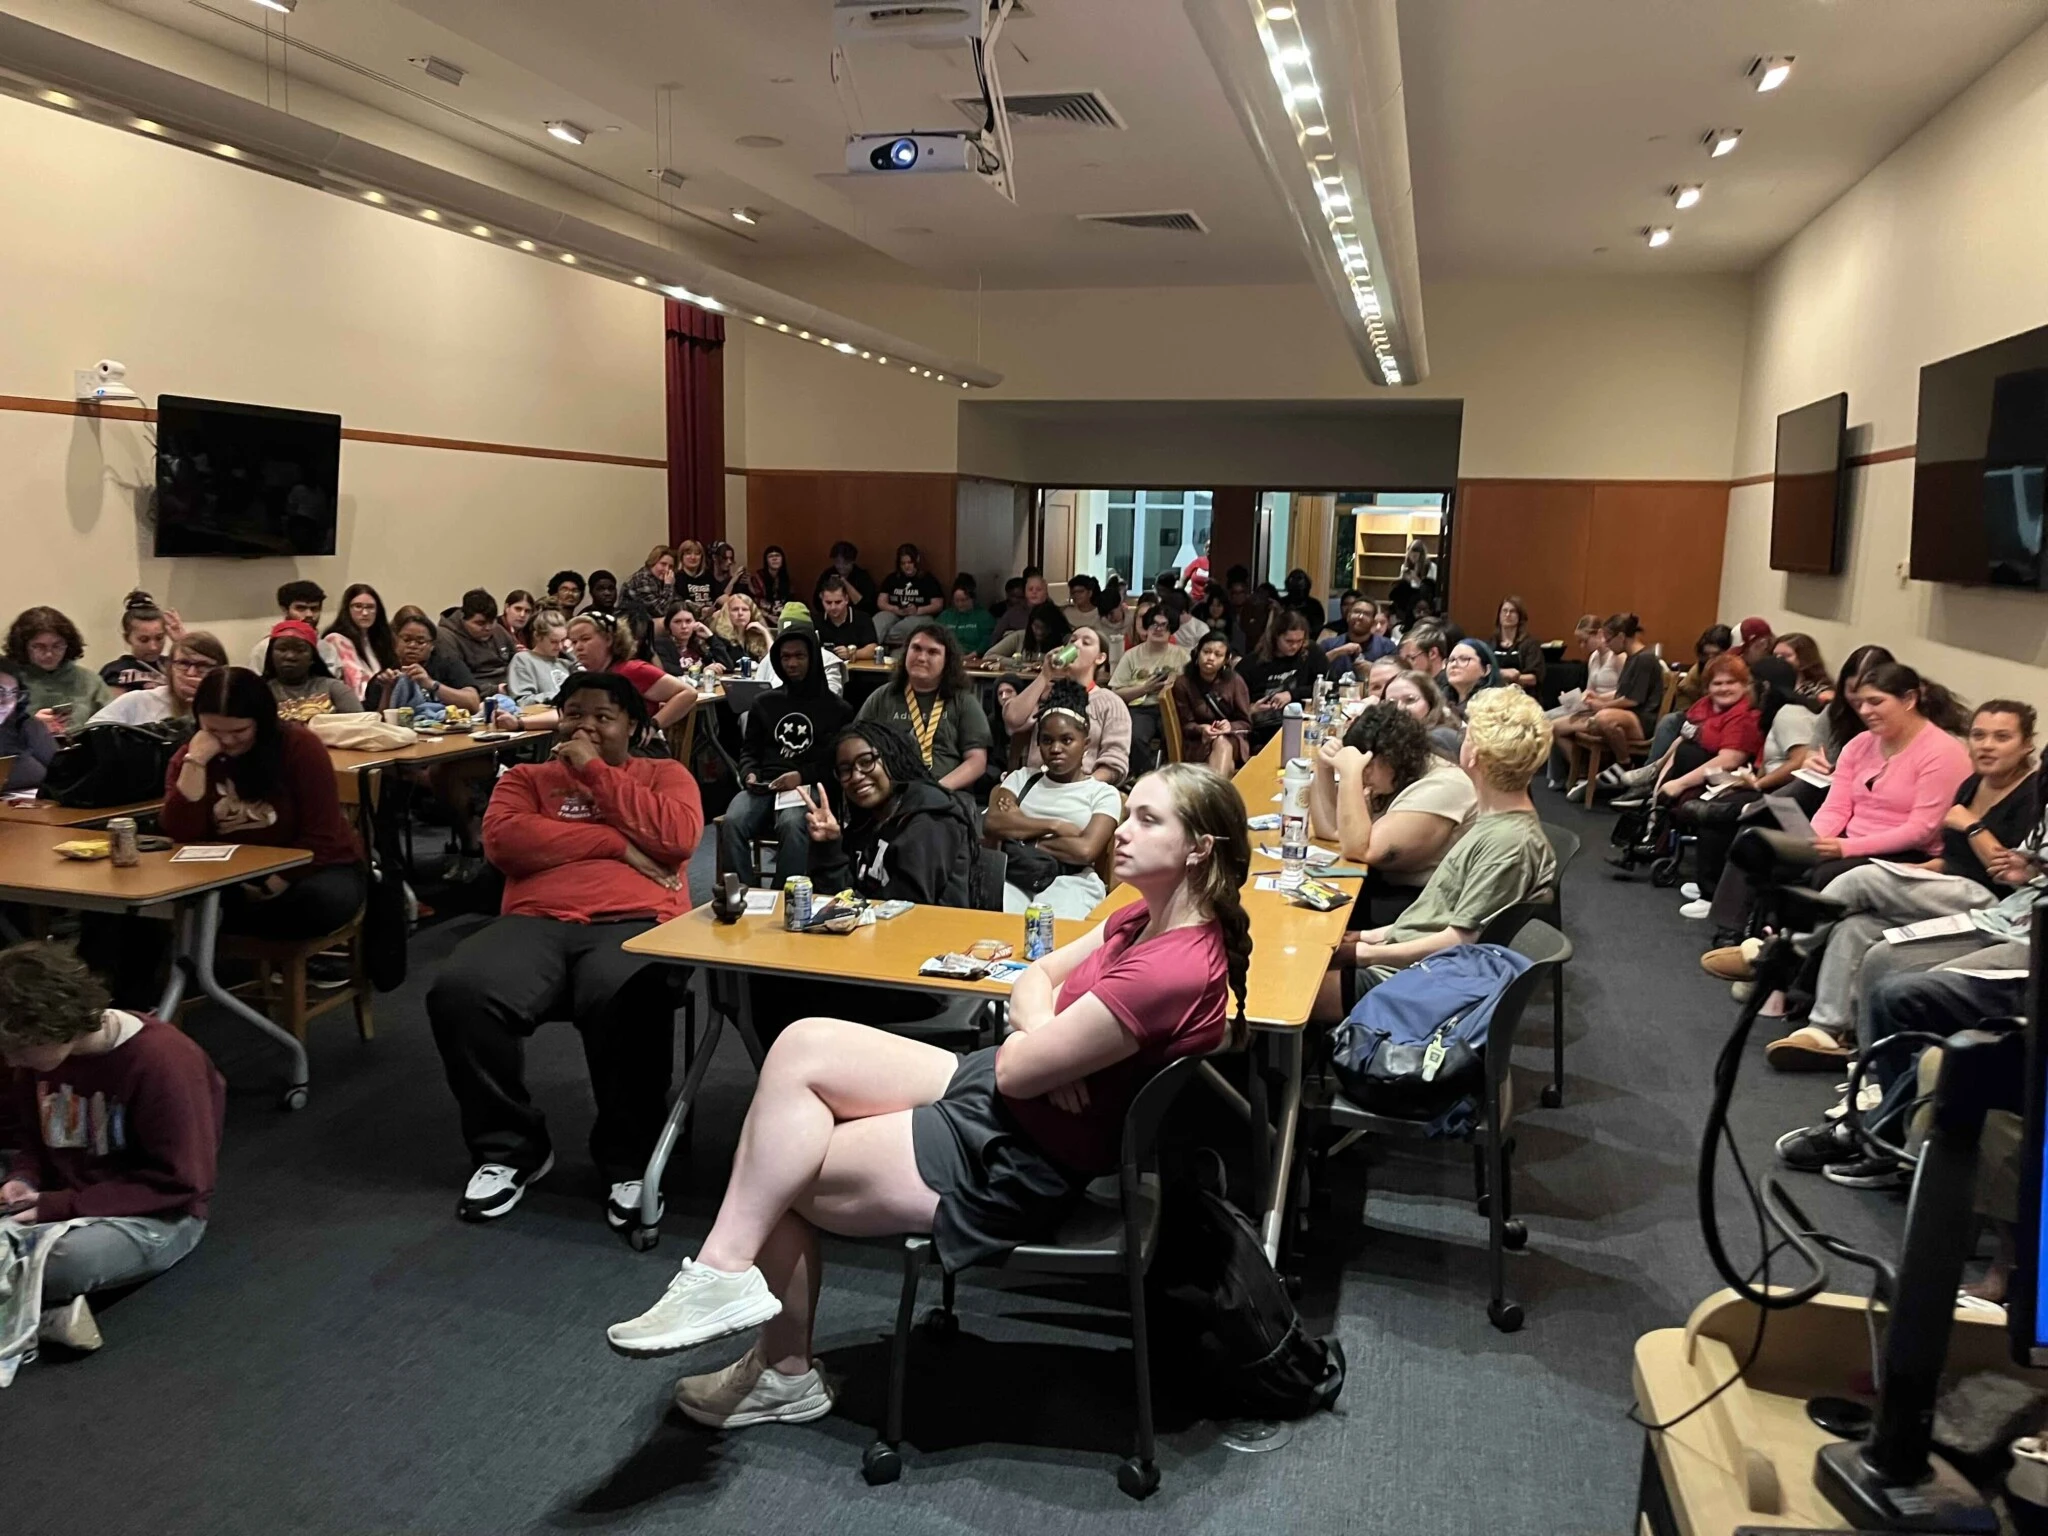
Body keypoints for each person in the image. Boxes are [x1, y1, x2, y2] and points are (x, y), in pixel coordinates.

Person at [604, 762, 1249, 1423]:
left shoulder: (1167, 966)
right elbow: (1032, 977)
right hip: (1004, 1102)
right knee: (800, 1047)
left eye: (1149, 819)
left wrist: (1041, 1056)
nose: (1123, 831)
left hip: (1018, 1157)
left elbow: (1019, 1069)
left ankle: (783, 1371)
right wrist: (1050, 1042)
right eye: (1129, 812)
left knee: (775, 1173)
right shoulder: (1143, 915)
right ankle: (724, 1270)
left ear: (1199, 848)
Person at [428, 671, 704, 1228]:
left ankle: (629, 1159)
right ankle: (510, 1150)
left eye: (604, 716)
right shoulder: (526, 779)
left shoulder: (663, 774)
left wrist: (595, 774)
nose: (587, 726)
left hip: (635, 920)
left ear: (632, 724)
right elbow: (506, 843)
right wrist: (614, 842)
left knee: (628, 993)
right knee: (461, 991)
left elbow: (676, 837)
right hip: (536, 922)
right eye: (574, 714)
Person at [1760, 700, 2040, 1068]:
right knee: (1856, 927)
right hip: (1950, 886)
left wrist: (1971, 823)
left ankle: (1782, 949)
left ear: (2026, 746)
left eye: (2002, 737)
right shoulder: (1973, 783)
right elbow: (1952, 857)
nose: (1987, 745)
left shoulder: (2033, 794)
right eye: (1979, 735)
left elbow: (2005, 871)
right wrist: (1920, 872)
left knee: (1860, 878)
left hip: (1993, 903)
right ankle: (1831, 1032)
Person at [0, 941, 224, 1356]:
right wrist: (23, 1176)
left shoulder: (164, 1062)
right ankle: (43, 1313)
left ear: (53, 1025)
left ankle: (36, 1308)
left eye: (19, 1048)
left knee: (66, 1260)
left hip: (153, 1214)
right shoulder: (40, 1060)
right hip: (64, 1192)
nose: (13, 1061)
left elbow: (182, 1183)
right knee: (24, 1246)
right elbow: (28, 1137)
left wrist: (57, 1206)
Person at [1314, 687, 1557, 1023]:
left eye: (1467, 735)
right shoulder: (1497, 824)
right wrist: (1366, 936)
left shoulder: (1509, 843)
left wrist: (1362, 954)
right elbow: (1434, 915)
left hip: (1416, 983)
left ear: (1475, 757)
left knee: (1288, 987)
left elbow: (1459, 941)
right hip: (1410, 963)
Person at [1697, 660, 1973, 941]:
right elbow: (1837, 806)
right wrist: (1813, 840)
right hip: (1850, 840)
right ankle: (1743, 933)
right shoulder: (1860, 743)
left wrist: (1845, 848)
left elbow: (1921, 830)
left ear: (1909, 700)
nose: (1865, 711)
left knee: (1824, 873)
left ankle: (1782, 950)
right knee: (1759, 846)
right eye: (1862, 703)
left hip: (1905, 852)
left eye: (1876, 702)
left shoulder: (1943, 752)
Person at [152, 668, 366, 958]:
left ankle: (211, 958)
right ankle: (205, 965)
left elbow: (322, 835)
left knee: (314, 903)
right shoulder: (190, 756)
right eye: (213, 731)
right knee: (156, 908)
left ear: (261, 722)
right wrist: (195, 762)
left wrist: (273, 883)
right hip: (228, 874)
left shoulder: (299, 747)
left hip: (312, 869)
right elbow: (180, 834)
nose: (227, 741)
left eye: (239, 731)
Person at [790, 720, 981, 907]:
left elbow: (904, 912)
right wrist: (829, 846)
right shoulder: (868, 819)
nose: (856, 776)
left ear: (892, 758)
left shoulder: (930, 820)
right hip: (869, 932)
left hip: (929, 933)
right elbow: (836, 899)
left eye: (866, 762)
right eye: (846, 769)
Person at [721, 625, 853, 883]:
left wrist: (801, 775)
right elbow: (749, 750)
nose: (792, 663)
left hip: (808, 786)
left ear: (812, 658)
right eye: (785, 657)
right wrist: (748, 772)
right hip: (764, 785)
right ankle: (741, 894)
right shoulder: (765, 702)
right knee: (733, 820)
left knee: (793, 823)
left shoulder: (837, 709)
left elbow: (836, 763)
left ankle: (785, 898)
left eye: (799, 656)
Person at [985, 681, 1124, 918]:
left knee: (1048, 926)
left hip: (1071, 879)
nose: (1056, 748)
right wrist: (1054, 826)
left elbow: (1085, 850)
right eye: (1047, 740)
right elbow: (993, 824)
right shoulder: (1022, 779)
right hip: (1016, 872)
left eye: (1067, 740)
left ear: (1085, 745)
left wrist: (1021, 828)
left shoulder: (1102, 793)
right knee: (1000, 917)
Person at [1310, 701, 1477, 893]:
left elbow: (1361, 850)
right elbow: (1332, 831)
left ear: (1392, 756)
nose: (1363, 778)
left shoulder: (1443, 786)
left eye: (1367, 766)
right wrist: (1323, 767)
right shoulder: (1397, 777)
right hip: (1388, 891)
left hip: (1417, 903)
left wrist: (1351, 773)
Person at [854, 622, 992, 792]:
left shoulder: (963, 701)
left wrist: (937, 790)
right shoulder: (882, 697)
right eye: (916, 648)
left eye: (932, 652)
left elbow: (977, 761)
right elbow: (856, 745)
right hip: (891, 792)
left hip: (945, 795)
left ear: (947, 661)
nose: (921, 657)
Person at [1001, 626, 1132, 786]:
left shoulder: (1110, 702)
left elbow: (1115, 761)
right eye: (1073, 640)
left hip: (1084, 789)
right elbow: (1013, 719)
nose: (1076, 645)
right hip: (1037, 785)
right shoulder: (1046, 694)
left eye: (1086, 642)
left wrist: (1083, 786)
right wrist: (1045, 674)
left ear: (1100, 658)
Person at [1554, 614, 1662, 797]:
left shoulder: (1645, 659)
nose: (1606, 643)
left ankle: (1625, 764)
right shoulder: (1630, 657)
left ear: (1621, 637)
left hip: (1641, 719)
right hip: (1625, 713)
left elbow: (1632, 700)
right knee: (1556, 727)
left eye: (1608, 639)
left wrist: (1602, 706)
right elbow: (1622, 693)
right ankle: (1583, 772)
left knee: (1603, 718)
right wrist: (1597, 698)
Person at [564, 614, 698, 732]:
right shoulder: (588, 677)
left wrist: (653, 725)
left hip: (638, 749)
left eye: (585, 639)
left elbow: (688, 693)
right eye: (574, 642)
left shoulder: (631, 670)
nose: (578, 647)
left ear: (609, 639)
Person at [4, 606, 111, 741]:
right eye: (38, 647)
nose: (49, 654)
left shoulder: (89, 681)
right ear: (23, 646)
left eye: (57, 646)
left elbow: (113, 725)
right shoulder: (6, 680)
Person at [83, 632, 226, 727]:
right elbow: (90, 735)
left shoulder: (227, 707)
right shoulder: (137, 701)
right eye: (183, 663)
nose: (191, 673)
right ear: (170, 667)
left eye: (203, 666)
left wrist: (208, 705)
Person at [1110, 600, 1190, 772]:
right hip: (1141, 708)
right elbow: (1115, 692)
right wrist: (1144, 688)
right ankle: (1143, 776)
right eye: (1154, 624)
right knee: (1136, 734)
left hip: (1171, 706)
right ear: (1147, 627)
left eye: (1164, 625)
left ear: (1171, 629)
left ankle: (1173, 774)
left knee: (1175, 733)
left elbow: (1191, 688)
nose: (1158, 629)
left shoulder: (1182, 656)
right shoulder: (1132, 655)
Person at [365, 607, 484, 716]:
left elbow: (473, 703)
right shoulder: (384, 676)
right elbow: (377, 721)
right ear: (395, 641)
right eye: (406, 639)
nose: (412, 645)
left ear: (432, 645)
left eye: (420, 641)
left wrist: (430, 684)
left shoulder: (449, 665)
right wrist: (388, 689)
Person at [1170, 630, 1253, 774]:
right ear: (1197, 653)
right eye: (1206, 652)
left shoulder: (1234, 681)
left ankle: (1214, 793)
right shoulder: (1183, 683)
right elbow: (1185, 724)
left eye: (1218, 655)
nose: (1210, 658)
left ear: (1226, 659)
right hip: (1198, 742)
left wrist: (1229, 726)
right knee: (1229, 766)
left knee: (1221, 742)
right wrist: (1202, 728)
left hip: (1232, 739)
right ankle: (1219, 790)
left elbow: (1246, 723)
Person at [1239, 609, 1324, 747]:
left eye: (1299, 641)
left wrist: (1291, 694)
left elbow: (1327, 686)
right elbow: (1233, 707)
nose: (1295, 646)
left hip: (1303, 725)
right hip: (1262, 731)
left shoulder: (1310, 653)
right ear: (1275, 637)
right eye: (1289, 641)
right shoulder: (1251, 664)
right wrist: (1253, 708)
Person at [260, 620, 367, 723]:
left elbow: (362, 727)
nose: (290, 656)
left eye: (300, 650)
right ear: (270, 655)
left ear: (313, 657)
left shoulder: (334, 688)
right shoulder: (259, 691)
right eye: (282, 649)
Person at [505, 609, 579, 731]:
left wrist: (573, 656)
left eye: (562, 640)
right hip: (539, 727)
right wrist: (554, 697)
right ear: (538, 637)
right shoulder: (523, 660)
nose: (560, 647)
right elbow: (522, 701)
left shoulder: (566, 663)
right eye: (554, 641)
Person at [242, 581, 338, 673]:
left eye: (314, 609)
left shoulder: (326, 648)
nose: (309, 614)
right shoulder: (264, 648)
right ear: (285, 610)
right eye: (301, 608)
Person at [324, 583, 398, 702]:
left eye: (370, 607)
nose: (365, 613)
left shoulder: (379, 639)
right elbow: (355, 685)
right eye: (358, 606)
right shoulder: (335, 640)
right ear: (347, 609)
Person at [436, 589, 517, 695]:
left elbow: (517, 661)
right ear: (463, 618)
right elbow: (456, 681)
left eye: (492, 622)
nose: (488, 628)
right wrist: (495, 689)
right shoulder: (445, 637)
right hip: (478, 692)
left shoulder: (498, 630)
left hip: (510, 684)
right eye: (480, 623)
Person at [99, 592, 177, 695]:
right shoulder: (114, 671)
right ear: (127, 638)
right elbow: (115, 709)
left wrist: (181, 641)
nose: (153, 647)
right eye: (144, 640)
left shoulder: (176, 666)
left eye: (159, 638)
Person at [873, 544, 945, 647]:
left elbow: (938, 604)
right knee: (879, 620)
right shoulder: (892, 578)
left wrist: (917, 610)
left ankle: (886, 642)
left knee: (906, 627)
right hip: (895, 612)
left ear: (917, 560)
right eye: (903, 563)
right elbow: (881, 602)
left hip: (919, 615)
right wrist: (894, 609)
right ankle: (872, 648)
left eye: (910, 562)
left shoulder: (927, 579)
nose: (907, 566)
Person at [0, 661, 58, 791]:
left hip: (37, 808)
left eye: (14, 693)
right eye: (0, 691)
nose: (7, 702)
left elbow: (64, 773)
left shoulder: (26, 725)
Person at [1324, 598, 1394, 680]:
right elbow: (1314, 668)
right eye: (1357, 612)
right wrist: (1337, 652)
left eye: (1367, 614)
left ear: (1373, 621)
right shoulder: (1329, 644)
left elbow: (1398, 675)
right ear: (1348, 616)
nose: (1360, 617)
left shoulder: (1387, 646)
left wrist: (1374, 669)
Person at [984, 600, 1070, 665]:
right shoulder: (1020, 636)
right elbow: (988, 656)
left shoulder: (1065, 640)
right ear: (1030, 624)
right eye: (1036, 627)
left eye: (1045, 628)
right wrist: (1020, 663)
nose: (1039, 632)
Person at [813, 576, 876, 663]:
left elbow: (873, 649)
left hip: (856, 672)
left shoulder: (862, 618)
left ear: (846, 599)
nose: (833, 607)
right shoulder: (815, 621)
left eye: (838, 602)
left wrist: (852, 654)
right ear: (821, 599)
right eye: (828, 602)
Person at [1490, 597, 1545, 694]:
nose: (1507, 615)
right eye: (1504, 611)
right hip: (1494, 696)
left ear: (1520, 616)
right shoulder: (1491, 643)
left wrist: (1512, 677)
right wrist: (1503, 673)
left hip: (1522, 696)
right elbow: (1482, 672)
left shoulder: (1530, 644)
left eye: (1512, 611)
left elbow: (1533, 678)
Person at [1736, 617, 1799, 699]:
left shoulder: (1779, 670)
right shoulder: (1743, 662)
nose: (1743, 655)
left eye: (1747, 649)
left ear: (1763, 643)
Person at [1442, 638, 1506, 719]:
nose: (1454, 664)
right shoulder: (1440, 701)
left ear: (1486, 670)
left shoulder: (1497, 706)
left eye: (1464, 659)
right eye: (1451, 660)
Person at [814, 540, 878, 618]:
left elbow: (867, 606)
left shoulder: (862, 576)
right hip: (830, 616)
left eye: (845, 562)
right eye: (837, 562)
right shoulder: (828, 574)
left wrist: (844, 581)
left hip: (857, 617)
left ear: (852, 561)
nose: (841, 566)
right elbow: (816, 601)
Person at [937, 575, 994, 658]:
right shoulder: (945, 616)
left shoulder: (984, 617)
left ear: (972, 599)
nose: (960, 604)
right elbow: (935, 636)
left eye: (964, 600)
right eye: (956, 600)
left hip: (974, 657)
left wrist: (974, 654)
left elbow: (988, 639)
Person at [1061, 574, 1119, 655]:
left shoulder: (1101, 612)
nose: (1076, 595)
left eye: (1080, 592)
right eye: (1073, 592)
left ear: (1090, 593)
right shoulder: (1066, 612)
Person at [1774, 631, 1835, 707]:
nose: (1778, 659)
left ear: (1803, 658)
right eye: (1775, 655)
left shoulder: (1819, 690)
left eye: (1786, 655)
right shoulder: (1770, 683)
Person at [1387, 541, 1438, 630]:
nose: (1413, 557)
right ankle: (1399, 618)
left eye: (1415, 555)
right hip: (1410, 592)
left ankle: (1408, 622)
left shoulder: (1430, 566)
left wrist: (1415, 578)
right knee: (1400, 588)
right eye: (1411, 555)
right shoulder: (1405, 567)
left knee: (1423, 588)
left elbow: (1430, 585)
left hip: (1424, 594)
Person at [620, 545, 678, 619]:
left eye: (670, 567)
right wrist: (668, 586)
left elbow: (675, 602)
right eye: (663, 564)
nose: (667, 569)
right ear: (653, 562)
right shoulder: (643, 579)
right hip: (633, 621)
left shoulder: (662, 578)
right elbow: (660, 611)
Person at [988, 576, 1032, 647]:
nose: (1017, 600)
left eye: (1020, 597)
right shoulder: (997, 609)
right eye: (1014, 596)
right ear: (1007, 594)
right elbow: (994, 636)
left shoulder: (1030, 611)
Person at [1280, 569, 1325, 635]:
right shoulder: (1281, 603)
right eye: (1292, 578)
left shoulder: (1315, 605)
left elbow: (1317, 627)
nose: (1296, 581)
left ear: (1307, 585)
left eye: (1299, 578)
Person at [1184, 539, 1212, 603]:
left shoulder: (1217, 563)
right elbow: (1184, 578)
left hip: (1210, 602)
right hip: (1194, 600)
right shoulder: (1198, 561)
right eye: (1206, 547)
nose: (1208, 549)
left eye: (1210, 546)